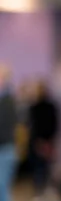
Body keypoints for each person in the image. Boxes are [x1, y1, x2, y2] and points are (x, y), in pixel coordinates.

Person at [0, 65, 17, 201]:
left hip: (4, 149)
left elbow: (4, 128)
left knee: (2, 189)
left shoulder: (7, 101)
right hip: (5, 148)